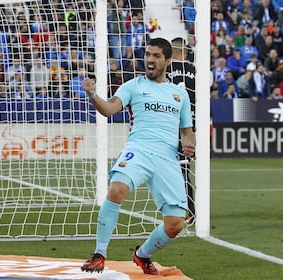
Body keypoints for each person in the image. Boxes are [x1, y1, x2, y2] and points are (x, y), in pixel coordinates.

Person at [80, 38, 196, 275]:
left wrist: (189, 145)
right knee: (116, 189)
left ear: (167, 60)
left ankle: (142, 255)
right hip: (139, 150)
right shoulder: (133, 86)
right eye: (147, 55)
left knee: (176, 223)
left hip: (167, 158)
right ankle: (99, 254)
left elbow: (187, 132)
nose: (150, 60)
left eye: (155, 56)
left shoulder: (179, 95)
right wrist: (93, 95)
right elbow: (109, 109)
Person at [166, 37, 196, 224]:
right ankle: (188, 209)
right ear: (184, 51)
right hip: (192, 125)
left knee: (173, 169)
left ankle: (185, 209)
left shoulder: (166, 70)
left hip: (171, 124)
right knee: (184, 168)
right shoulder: (195, 70)